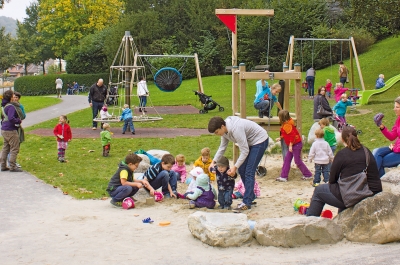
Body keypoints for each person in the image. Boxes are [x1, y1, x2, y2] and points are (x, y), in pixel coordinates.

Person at [307, 126, 382, 217]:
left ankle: (310, 221)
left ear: (342, 139)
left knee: (319, 191)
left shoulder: (341, 155)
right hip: (371, 191)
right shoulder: (367, 152)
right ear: (357, 137)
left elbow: (332, 180)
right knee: (342, 190)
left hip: (354, 194)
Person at [208, 116, 268, 212]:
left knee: (249, 171)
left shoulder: (236, 129)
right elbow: (222, 147)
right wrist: (213, 162)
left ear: (222, 126)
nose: (217, 134)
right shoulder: (225, 131)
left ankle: (247, 202)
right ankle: (250, 195)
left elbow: (244, 151)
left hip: (259, 141)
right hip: (250, 143)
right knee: (242, 170)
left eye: (216, 132)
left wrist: (234, 167)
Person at [275, 110, 312, 182]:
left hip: (296, 144)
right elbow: (286, 133)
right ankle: (283, 176)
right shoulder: (287, 123)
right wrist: (281, 137)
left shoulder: (287, 125)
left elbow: (293, 136)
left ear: (281, 118)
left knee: (297, 161)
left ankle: (308, 174)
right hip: (294, 144)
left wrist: (290, 145)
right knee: (287, 160)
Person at [372, 97, 400, 178]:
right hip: (396, 148)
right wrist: (381, 126)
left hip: (398, 151)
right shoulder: (398, 120)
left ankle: (372, 180)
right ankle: (375, 182)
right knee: (376, 151)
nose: (394, 109)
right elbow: (392, 137)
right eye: (394, 106)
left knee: (380, 161)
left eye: (397, 107)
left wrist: (395, 148)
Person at [0, 90, 23, 172]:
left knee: (6, 148)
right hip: (10, 130)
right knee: (14, 148)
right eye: (13, 95)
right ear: (10, 97)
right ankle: (13, 166)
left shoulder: (4, 106)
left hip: (4, 129)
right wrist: (18, 121)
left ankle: (3, 165)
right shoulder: (11, 107)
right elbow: (11, 118)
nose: (14, 97)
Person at [7, 92, 26, 168]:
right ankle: (11, 162)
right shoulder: (9, 106)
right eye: (14, 97)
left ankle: (12, 161)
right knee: (11, 145)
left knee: (16, 145)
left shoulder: (20, 106)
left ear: (18, 98)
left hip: (17, 127)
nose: (15, 99)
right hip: (10, 128)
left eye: (16, 98)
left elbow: (23, 116)